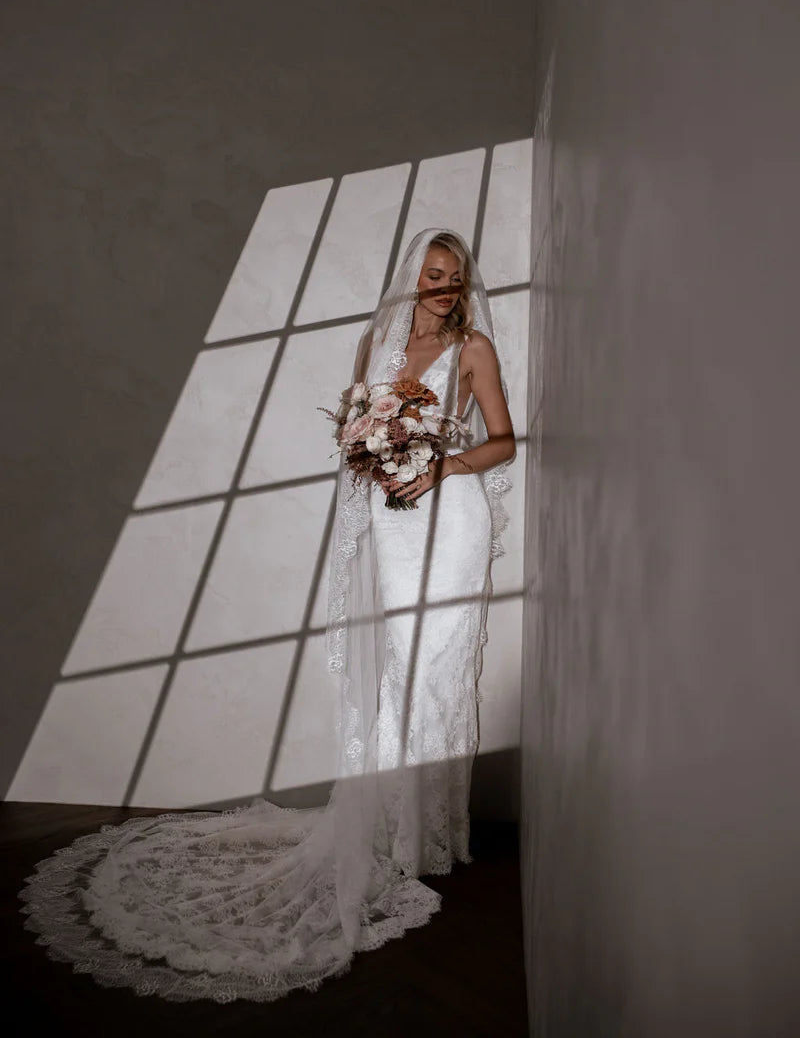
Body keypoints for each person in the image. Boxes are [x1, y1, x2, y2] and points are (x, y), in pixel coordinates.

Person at [19, 227, 515, 1004]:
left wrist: (442, 465)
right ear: (412, 279)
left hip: (450, 520)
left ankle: (428, 839)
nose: (442, 285)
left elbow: (504, 442)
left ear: (464, 283)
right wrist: (377, 454)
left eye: (453, 274)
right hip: (392, 519)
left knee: (438, 672)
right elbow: (358, 436)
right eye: (431, 273)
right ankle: (388, 833)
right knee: (397, 672)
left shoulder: (474, 348)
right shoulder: (376, 347)